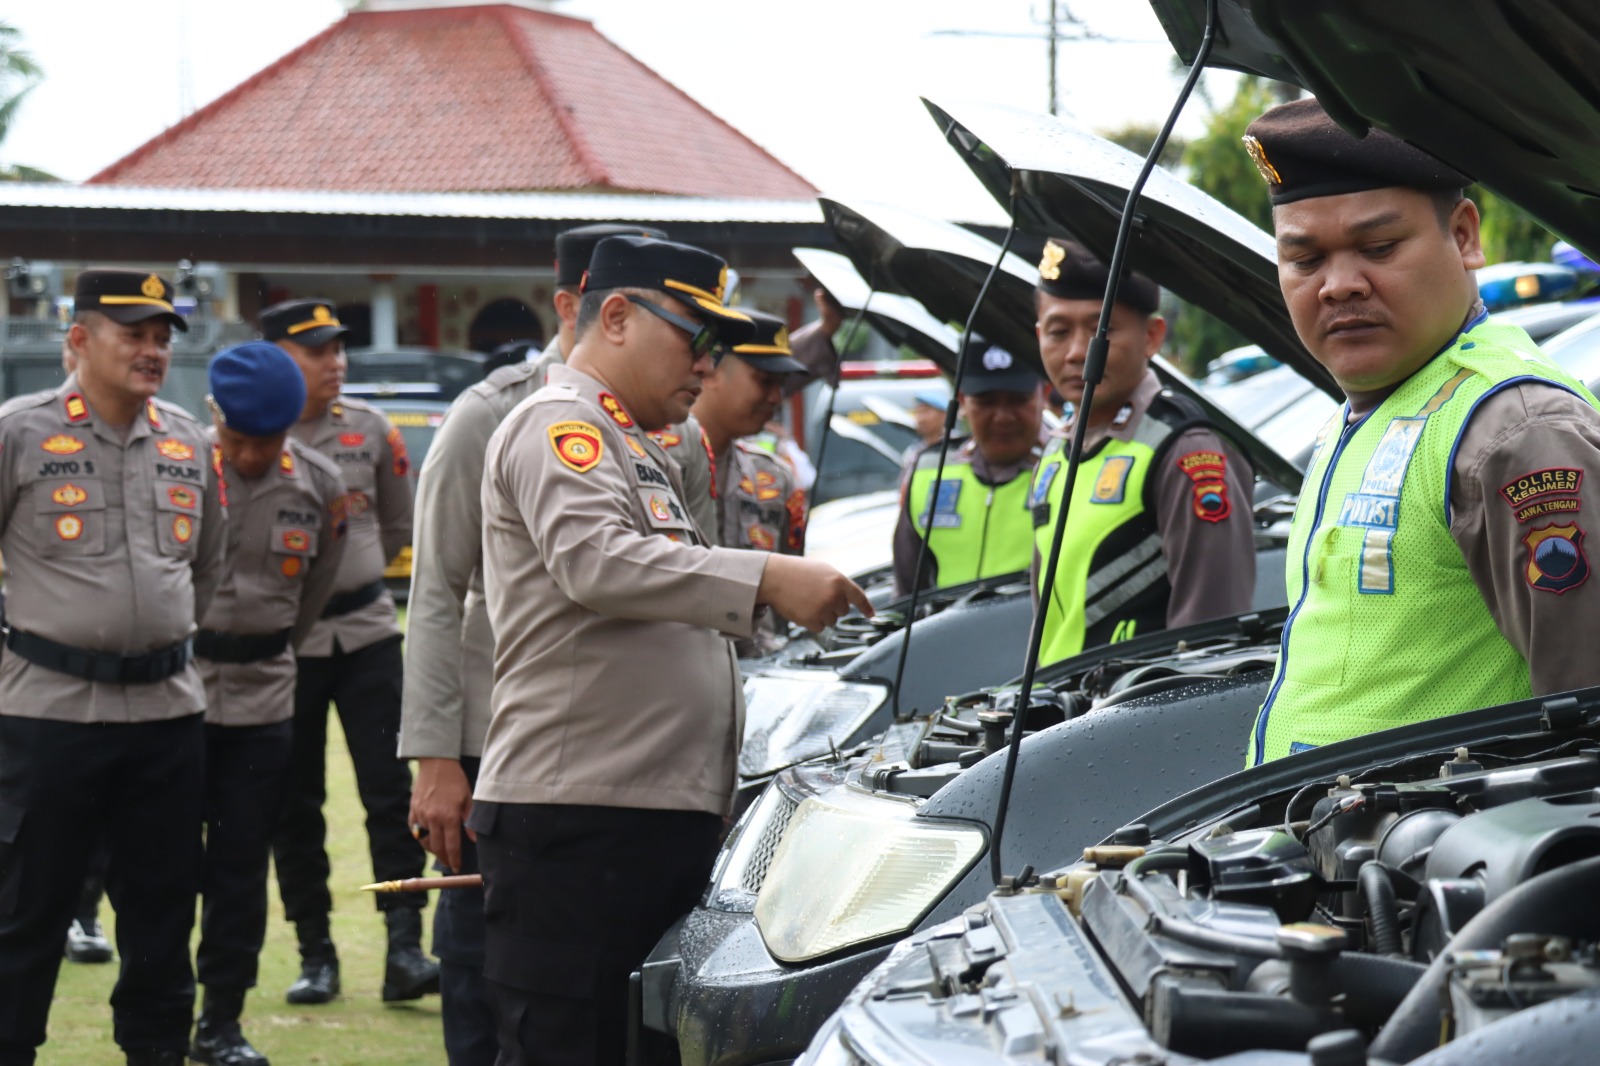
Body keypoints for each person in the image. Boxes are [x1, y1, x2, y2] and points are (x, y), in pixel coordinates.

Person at [468, 235, 873, 1065]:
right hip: (579, 821)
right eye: (695, 336)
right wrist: (768, 576)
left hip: (635, 817)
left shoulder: (640, 440)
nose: (706, 363)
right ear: (616, 316)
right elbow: (597, 561)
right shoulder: (561, 425)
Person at [1240, 98, 1600, 764]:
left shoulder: (1513, 430)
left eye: (1378, 248)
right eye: (1305, 259)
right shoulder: (1366, 411)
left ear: (1463, 236)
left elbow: (1587, 729)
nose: (1338, 286)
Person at [400, 222, 674, 1066]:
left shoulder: (657, 419)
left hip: (614, 752)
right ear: (575, 304)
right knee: (485, 960)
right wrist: (436, 758)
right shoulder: (493, 412)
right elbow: (436, 590)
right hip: (499, 744)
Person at [0, 269, 225, 1066]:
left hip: (167, 719)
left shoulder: (188, 440)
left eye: (162, 337)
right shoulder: (18, 432)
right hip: (48, 717)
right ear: (78, 340)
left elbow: (206, 569)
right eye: (133, 334)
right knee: (25, 913)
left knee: (164, 916)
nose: (152, 350)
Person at [260, 298, 434, 1005]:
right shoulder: (252, 429)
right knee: (293, 801)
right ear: (277, 357)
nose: (335, 362)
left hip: (366, 635)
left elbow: (396, 526)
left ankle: (404, 948)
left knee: (390, 794)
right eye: (317, 351)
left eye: (338, 349)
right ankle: (316, 955)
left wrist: (349, 579)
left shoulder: (371, 429)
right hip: (288, 646)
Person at [188, 342, 349, 1065]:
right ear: (214, 416)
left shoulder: (321, 486)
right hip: (179, 696)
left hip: (263, 702)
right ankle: (160, 1013)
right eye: (238, 439)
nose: (251, 455)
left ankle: (219, 1021)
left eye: (268, 440)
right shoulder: (179, 466)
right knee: (161, 867)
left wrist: (266, 648)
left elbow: (314, 595)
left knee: (241, 866)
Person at [1030, 240, 1257, 664]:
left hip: (1136, 704)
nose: (1077, 352)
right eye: (1059, 332)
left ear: (1152, 336)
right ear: (1039, 336)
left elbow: (1209, 648)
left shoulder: (1184, 452)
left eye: (1101, 330)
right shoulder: (1056, 452)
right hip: (1060, 702)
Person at [893, 339, 1044, 596]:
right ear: (962, 401)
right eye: (986, 402)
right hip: (942, 623)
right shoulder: (929, 470)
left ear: (1044, 394)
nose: (1002, 417)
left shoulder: (1067, 471)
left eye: (1017, 400)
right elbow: (906, 591)